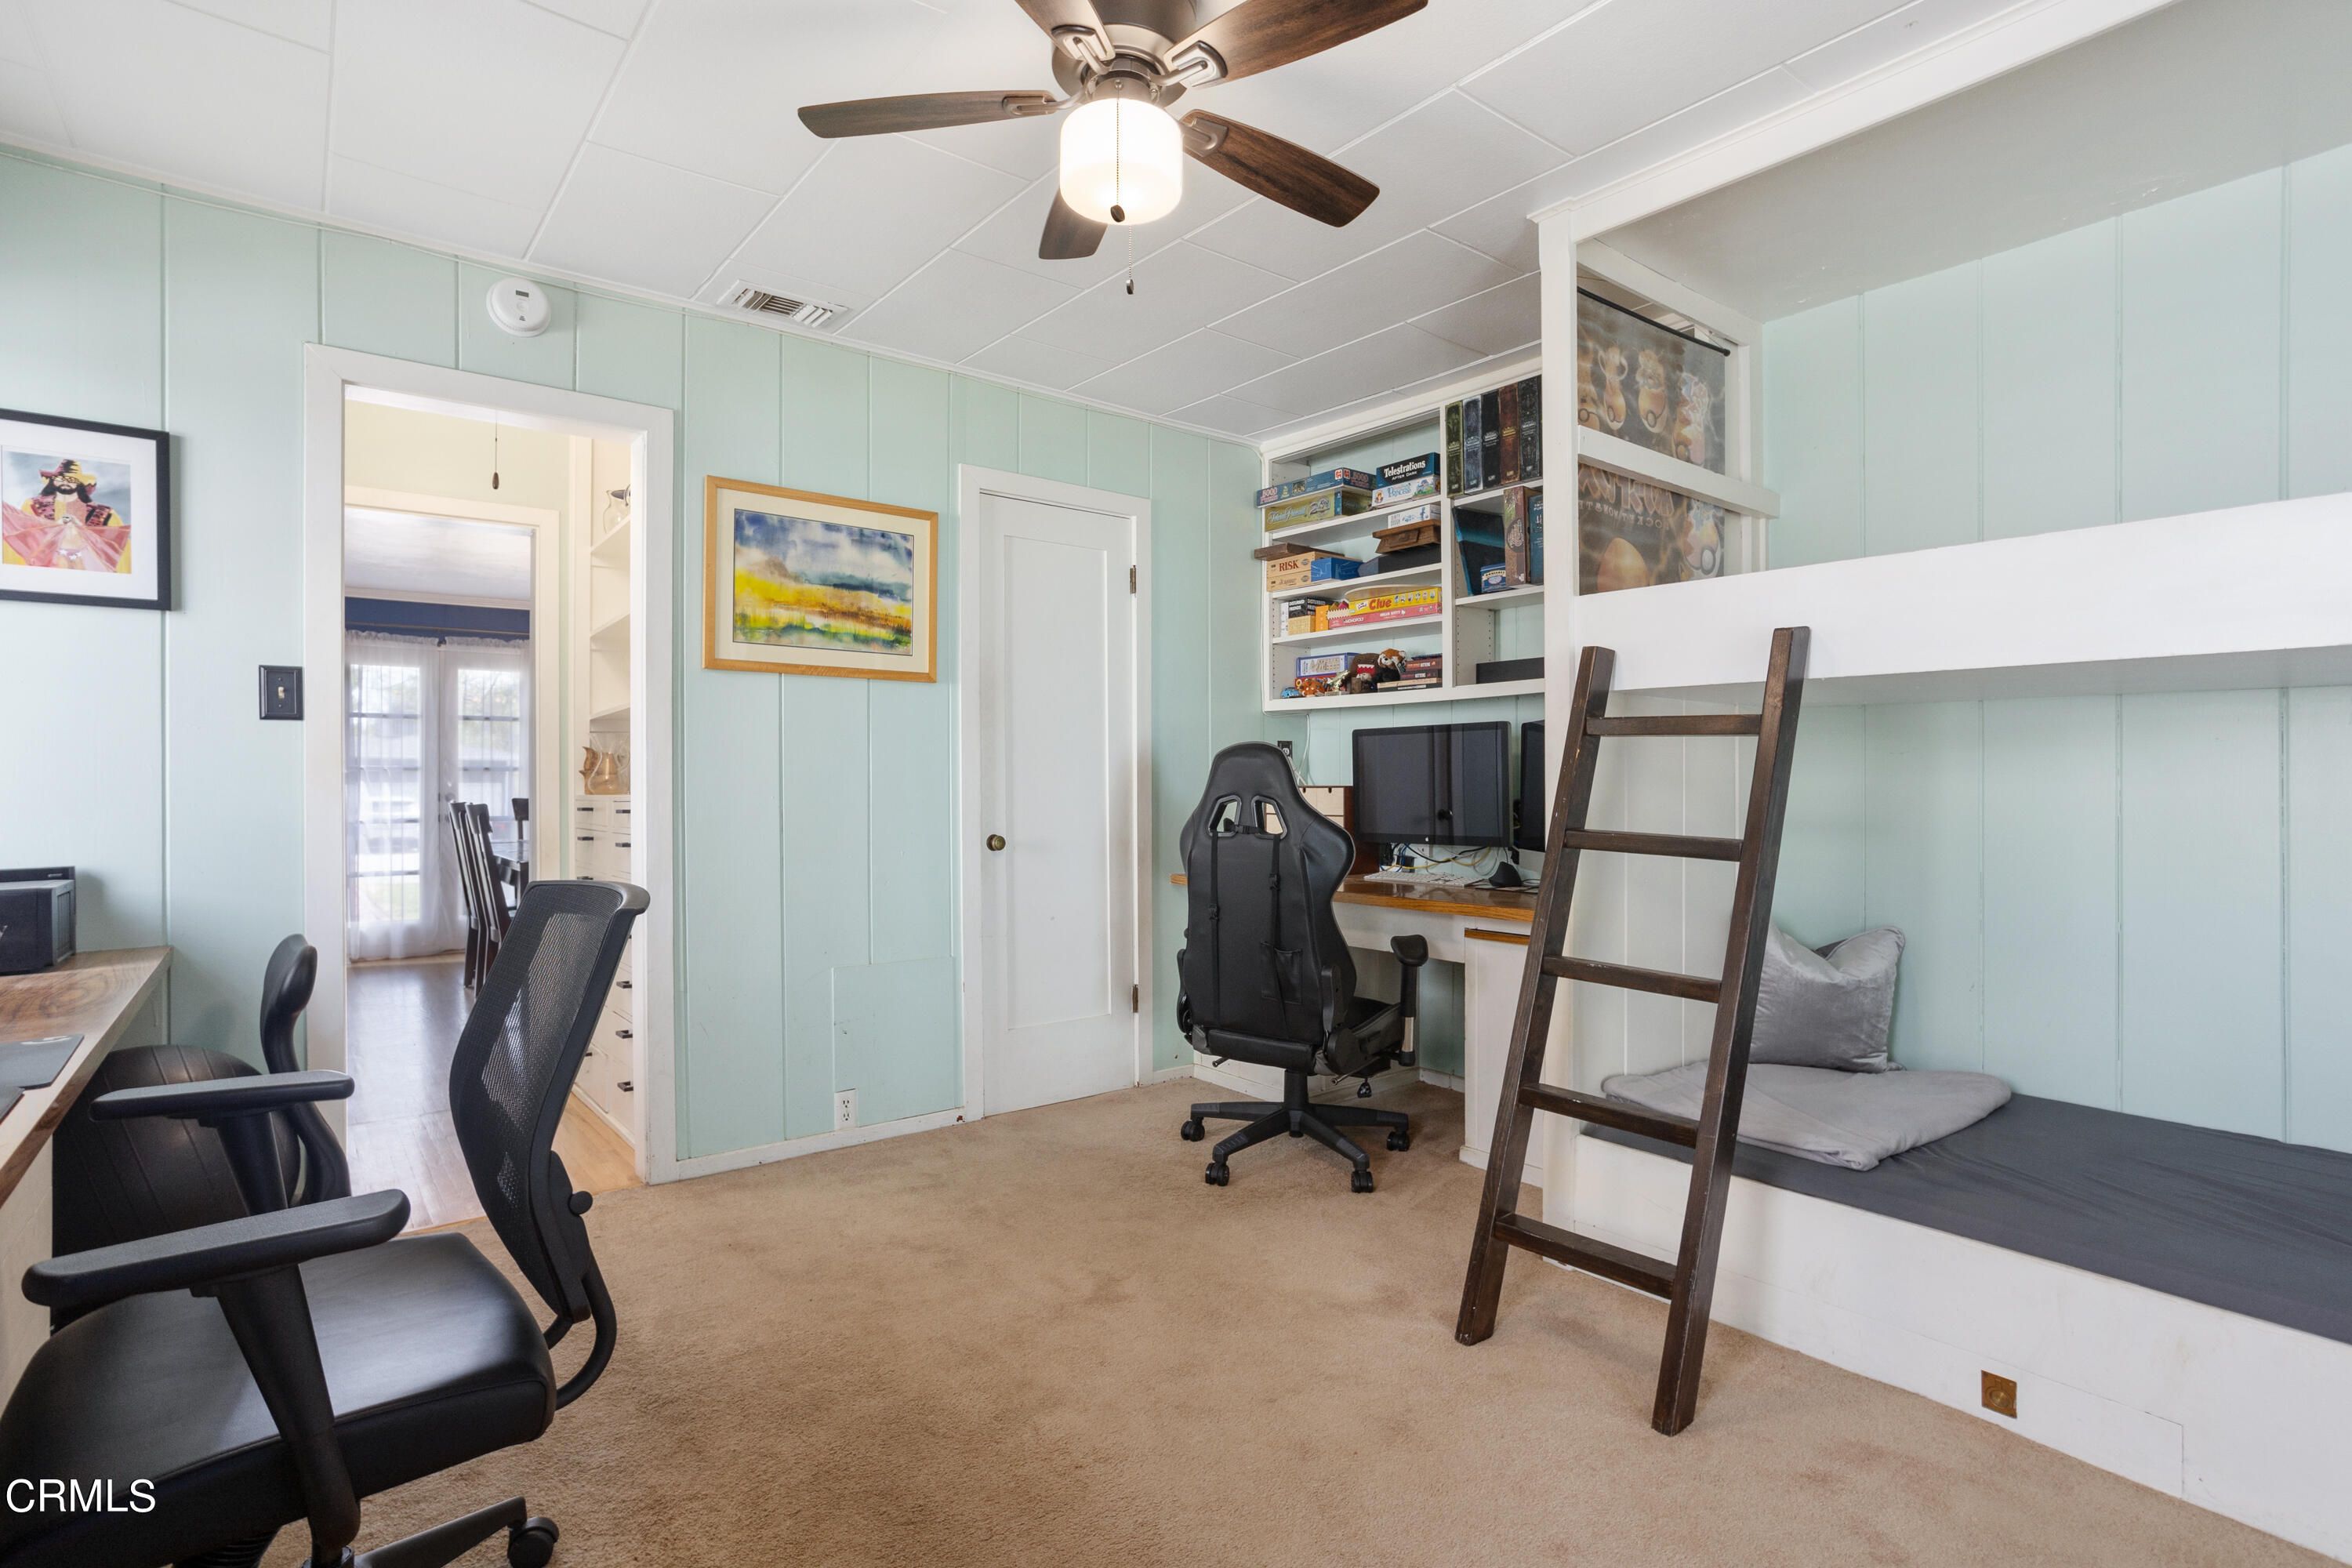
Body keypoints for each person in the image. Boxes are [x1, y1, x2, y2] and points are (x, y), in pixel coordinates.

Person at [2, 458, 129, 572]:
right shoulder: (32, 505)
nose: (65, 482)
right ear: (54, 482)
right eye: (60, 478)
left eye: (71, 479)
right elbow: (26, 536)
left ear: (79, 484)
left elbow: (117, 548)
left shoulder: (105, 513)